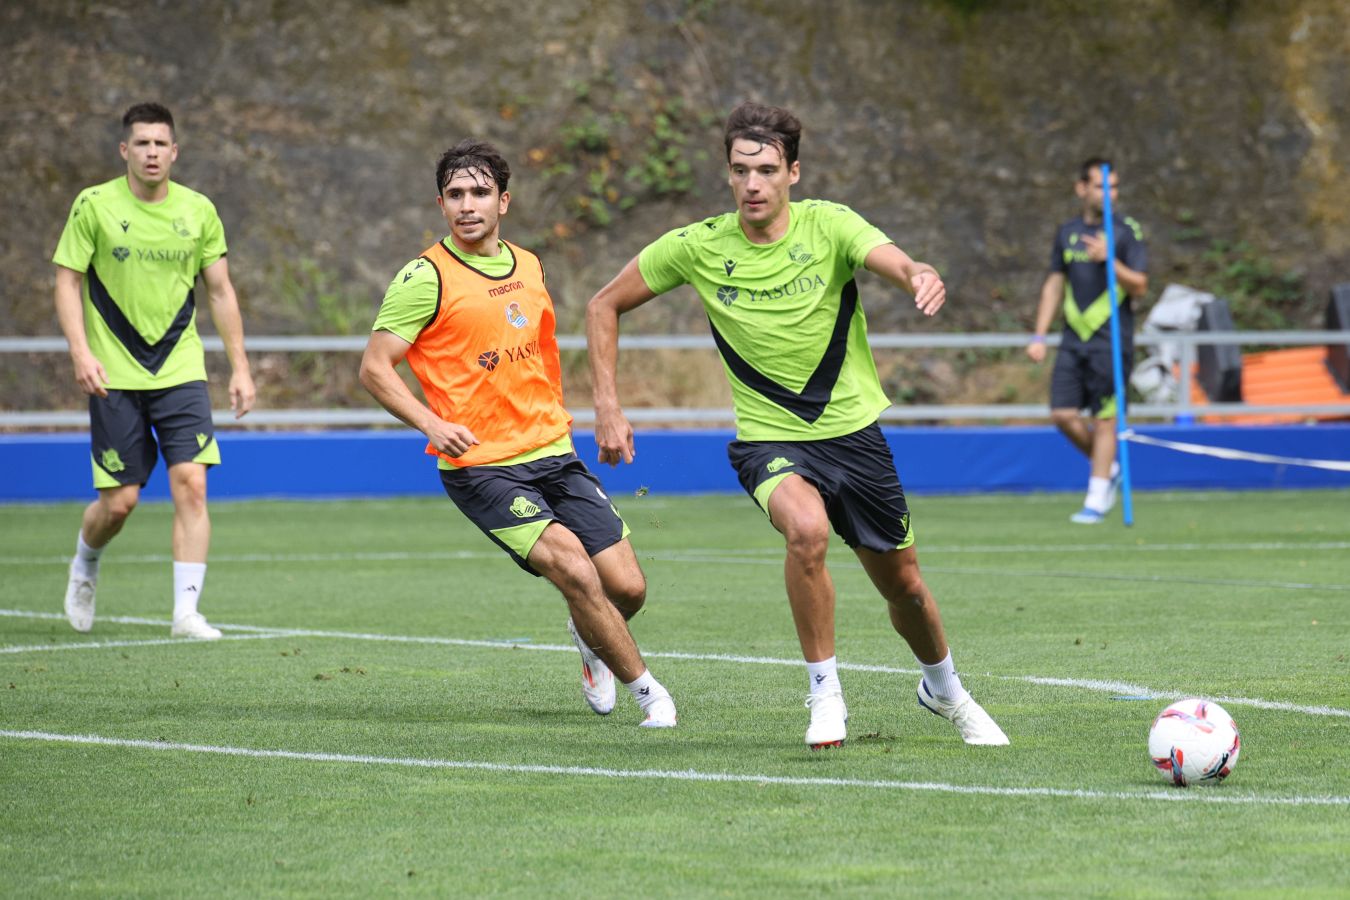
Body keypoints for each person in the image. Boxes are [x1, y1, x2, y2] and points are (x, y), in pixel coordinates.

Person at [586, 102, 1007, 749]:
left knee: (906, 589)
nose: (752, 183)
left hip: (854, 437)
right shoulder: (699, 246)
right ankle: (824, 695)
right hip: (770, 442)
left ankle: (945, 689)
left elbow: (889, 259)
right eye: (739, 170)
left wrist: (917, 272)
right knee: (806, 532)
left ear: (794, 172)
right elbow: (603, 304)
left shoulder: (829, 227)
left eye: (766, 169)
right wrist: (608, 404)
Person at [359, 139, 676, 728]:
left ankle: (589, 639)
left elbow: (539, 356)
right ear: (440, 203)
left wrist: (591, 413)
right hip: (482, 468)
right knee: (576, 571)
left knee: (627, 589)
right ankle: (651, 696)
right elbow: (375, 367)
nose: (467, 204)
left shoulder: (529, 265)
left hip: (553, 452)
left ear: (504, 201)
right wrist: (431, 421)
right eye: (455, 194)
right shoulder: (423, 277)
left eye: (479, 192)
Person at [53, 102, 256, 640]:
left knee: (191, 484)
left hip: (180, 369)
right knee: (120, 503)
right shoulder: (93, 205)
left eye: (160, 144)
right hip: (113, 373)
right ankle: (86, 563)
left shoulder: (198, 211)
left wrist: (240, 368)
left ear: (174, 152)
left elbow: (220, 290)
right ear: (125, 150)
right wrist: (80, 351)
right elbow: (68, 281)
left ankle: (186, 613)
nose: (151, 152)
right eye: (141, 143)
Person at [1026, 157, 1148, 524]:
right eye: (1100, 186)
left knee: (1105, 420)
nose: (1108, 194)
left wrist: (1109, 259)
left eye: (1113, 187)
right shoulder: (1067, 232)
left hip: (1110, 341)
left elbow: (1139, 286)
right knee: (1062, 414)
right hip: (1072, 339)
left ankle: (1095, 498)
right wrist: (1039, 334)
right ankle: (1107, 469)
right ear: (1081, 188)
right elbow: (1054, 283)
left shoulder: (1127, 232)